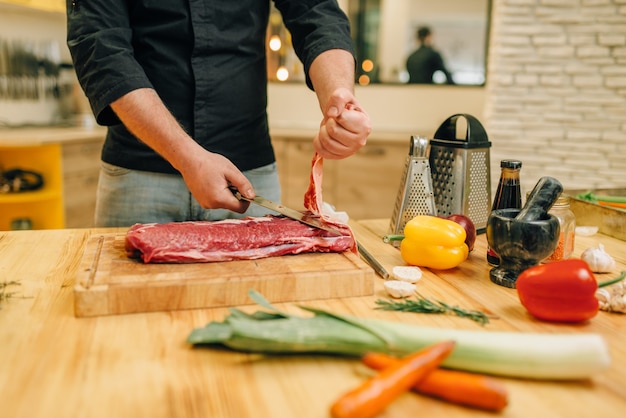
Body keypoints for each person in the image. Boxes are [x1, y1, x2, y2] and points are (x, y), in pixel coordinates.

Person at [66, 1, 371, 227]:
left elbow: (316, 13)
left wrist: (338, 97)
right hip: (139, 179)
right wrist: (187, 156)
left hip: (249, 180)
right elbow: (101, 46)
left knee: (255, 309)